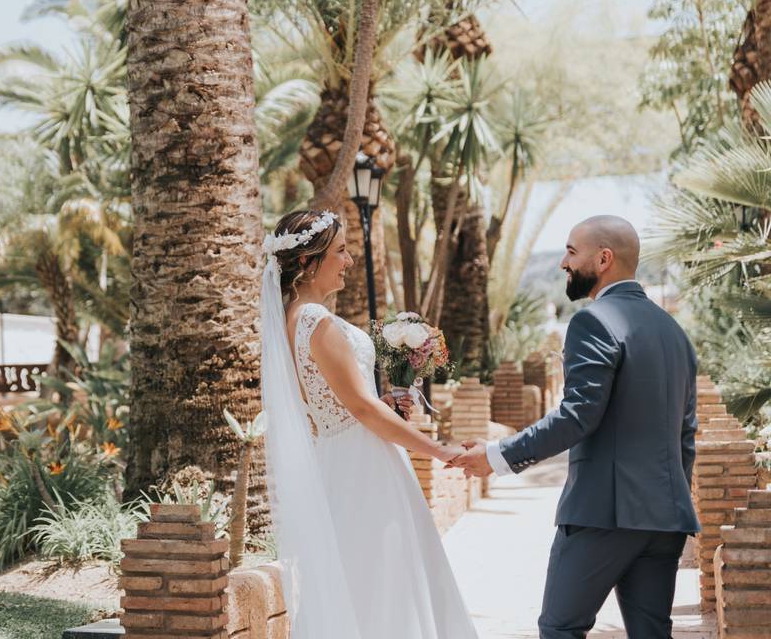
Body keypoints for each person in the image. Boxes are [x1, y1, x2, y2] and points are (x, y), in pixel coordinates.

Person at [450, 215, 701, 638]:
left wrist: (496, 457)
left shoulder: (593, 322)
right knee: (653, 632)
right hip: (665, 518)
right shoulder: (674, 332)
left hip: (604, 513)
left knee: (560, 629)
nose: (563, 263)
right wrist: (669, 497)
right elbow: (685, 434)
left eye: (571, 251)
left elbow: (578, 415)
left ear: (604, 258)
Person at [259, 209, 478, 639]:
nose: (349, 261)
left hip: (340, 461)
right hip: (365, 469)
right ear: (307, 262)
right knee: (385, 584)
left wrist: (388, 398)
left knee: (364, 579)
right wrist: (439, 450)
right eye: (340, 252)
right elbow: (359, 409)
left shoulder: (291, 321)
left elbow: (342, 403)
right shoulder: (313, 320)